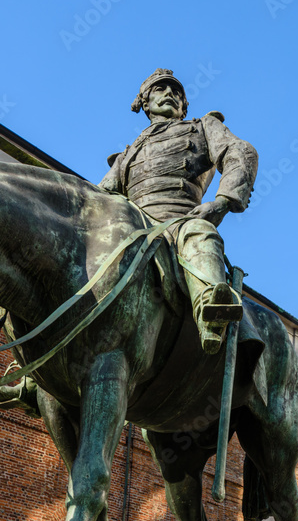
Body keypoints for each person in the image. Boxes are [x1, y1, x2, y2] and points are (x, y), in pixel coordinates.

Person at [100, 69, 258, 354]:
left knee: (199, 233)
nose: (169, 94)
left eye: (177, 92)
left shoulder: (203, 127)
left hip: (180, 221)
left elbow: (240, 151)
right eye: (160, 89)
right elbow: (100, 196)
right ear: (145, 103)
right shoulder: (127, 154)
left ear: (184, 106)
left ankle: (210, 308)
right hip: (132, 226)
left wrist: (223, 201)